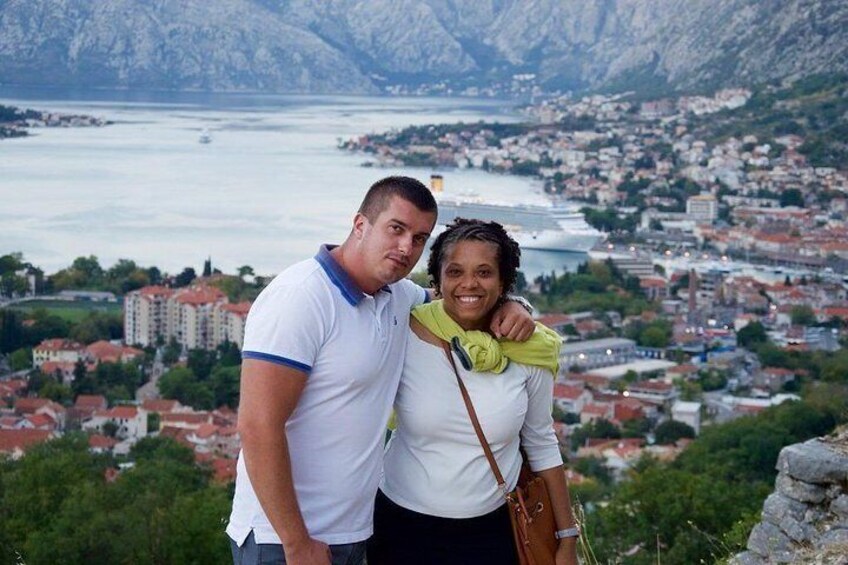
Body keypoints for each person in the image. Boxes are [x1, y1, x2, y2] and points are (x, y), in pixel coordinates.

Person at [227, 176, 536, 565]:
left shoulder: (398, 297)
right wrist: (296, 542)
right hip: (284, 539)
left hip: (356, 531)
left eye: (420, 238)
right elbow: (257, 425)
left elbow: (467, 303)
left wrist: (514, 304)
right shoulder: (301, 297)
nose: (407, 247)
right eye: (396, 229)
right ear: (360, 225)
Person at [367, 218, 579, 565]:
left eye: (484, 272)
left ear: (504, 281)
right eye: (455, 272)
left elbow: (542, 442)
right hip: (399, 526)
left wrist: (566, 539)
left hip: (493, 531)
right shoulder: (405, 331)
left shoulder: (530, 348)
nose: (469, 284)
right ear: (438, 280)